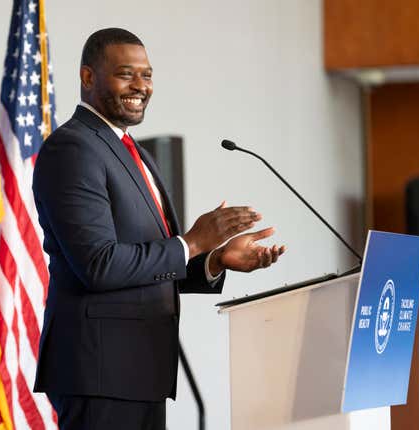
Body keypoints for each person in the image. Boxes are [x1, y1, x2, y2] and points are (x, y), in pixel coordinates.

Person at [32, 27, 285, 430]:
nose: (140, 86)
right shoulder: (73, 150)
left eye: (147, 75)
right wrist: (194, 241)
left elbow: (151, 264)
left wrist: (215, 258)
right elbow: (99, 265)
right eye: (126, 73)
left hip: (139, 370)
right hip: (101, 373)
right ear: (87, 77)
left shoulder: (136, 153)